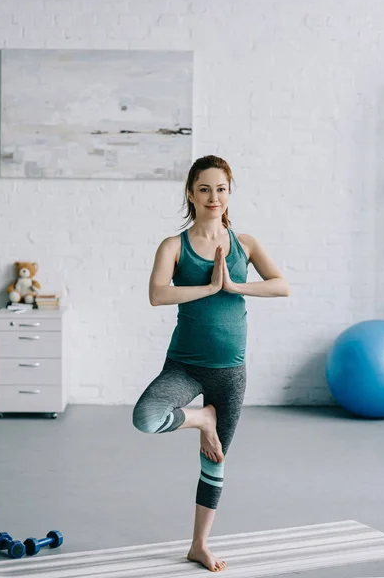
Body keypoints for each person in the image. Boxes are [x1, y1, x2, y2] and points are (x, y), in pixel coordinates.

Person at [132, 155, 290, 573]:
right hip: (184, 364)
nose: (213, 196)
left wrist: (235, 286)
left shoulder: (246, 244)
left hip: (230, 372)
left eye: (221, 189)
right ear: (190, 192)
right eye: (204, 188)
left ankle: (199, 545)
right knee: (147, 417)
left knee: (214, 463)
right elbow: (157, 295)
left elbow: (281, 285)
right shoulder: (174, 246)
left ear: (229, 193)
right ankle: (203, 419)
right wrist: (209, 287)